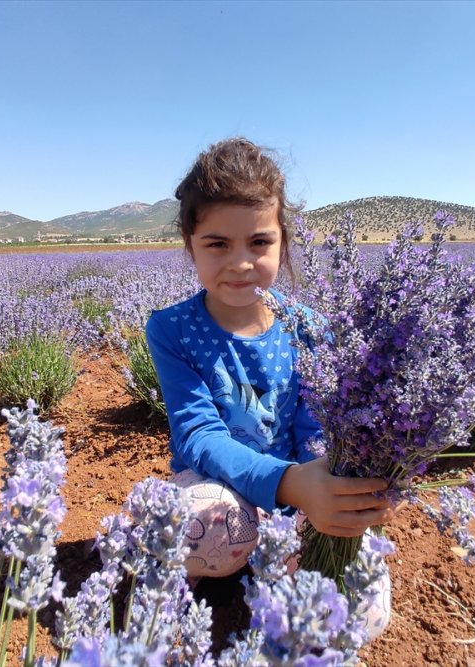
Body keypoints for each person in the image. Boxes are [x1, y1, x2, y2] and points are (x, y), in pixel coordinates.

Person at [144, 137, 399, 637]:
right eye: (217, 244)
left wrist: (326, 494)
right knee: (198, 522)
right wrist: (291, 484)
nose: (240, 263)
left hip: (300, 498)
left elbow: (317, 433)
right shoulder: (172, 329)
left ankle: (278, 571)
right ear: (189, 242)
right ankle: (183, 585)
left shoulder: (310, 330)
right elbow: (199, 436)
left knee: (361, 612)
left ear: (282, 240)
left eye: (258, 243)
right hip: (222, 488)